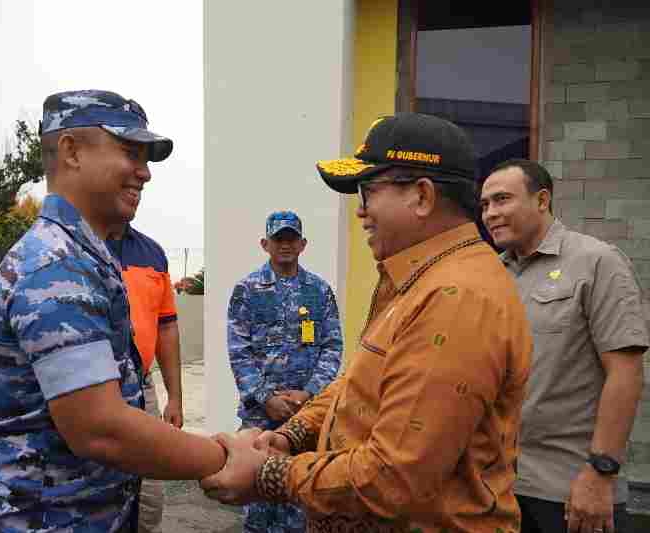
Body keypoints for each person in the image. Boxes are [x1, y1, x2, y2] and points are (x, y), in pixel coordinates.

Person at [202, 113, 534, 533]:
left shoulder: (456, 297)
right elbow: (359, 382)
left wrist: (270, 473)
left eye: (368, 192)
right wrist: (290, 434)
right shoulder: (417, 279)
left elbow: (395, 475)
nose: (360, 212)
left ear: (422, 197)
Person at [0, 90, 227, 533]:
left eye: (146, 158)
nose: (145, 173)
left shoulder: (88, 256)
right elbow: (101, 428)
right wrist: (223, 456)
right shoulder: (55, 265)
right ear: (71, 151)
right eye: (130, 152)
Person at [480, 159, 649, 533]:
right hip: (499, 488)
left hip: (571, 491)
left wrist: (601, 472)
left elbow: (626, 373)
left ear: (542, 201)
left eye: (502, 200)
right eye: (485, 204)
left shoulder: (595, 262)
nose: (491, 213)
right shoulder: (492, 275)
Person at [227, 210, 343, 532]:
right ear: (265, 243)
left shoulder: (319, 291)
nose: (285, 245)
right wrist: (266, 398)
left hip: (305, 418)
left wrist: (309, 394)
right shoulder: (247, 291)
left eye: (292, 238)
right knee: (258, 503)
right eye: (279, 238)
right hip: (260, 417)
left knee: (300, 500)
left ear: (303, 244)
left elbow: (332, 347)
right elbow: (239, 353)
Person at [108, 186, 184, 533]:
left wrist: (176, 397)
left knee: (149, 496)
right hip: (95, 387)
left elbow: (166, 328)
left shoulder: (152, 254)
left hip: (142, 386)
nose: (135, 191)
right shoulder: (74, 248)